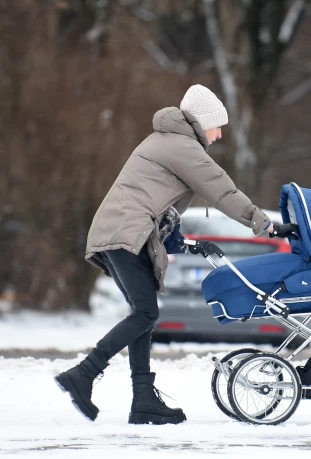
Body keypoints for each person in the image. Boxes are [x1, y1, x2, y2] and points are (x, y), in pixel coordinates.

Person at [55, 84, 297, 425]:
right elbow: (222, 190)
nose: (220, 134)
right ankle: (84, 373)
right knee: (145, 314)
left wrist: (181, 241)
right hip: (127, 234)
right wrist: (266, 226)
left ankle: (142, 400)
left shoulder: (168, 141)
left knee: (143, 315)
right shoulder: (182, 146)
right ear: (202, 122)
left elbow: (160, 205)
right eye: (217, 125)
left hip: (120, 232)